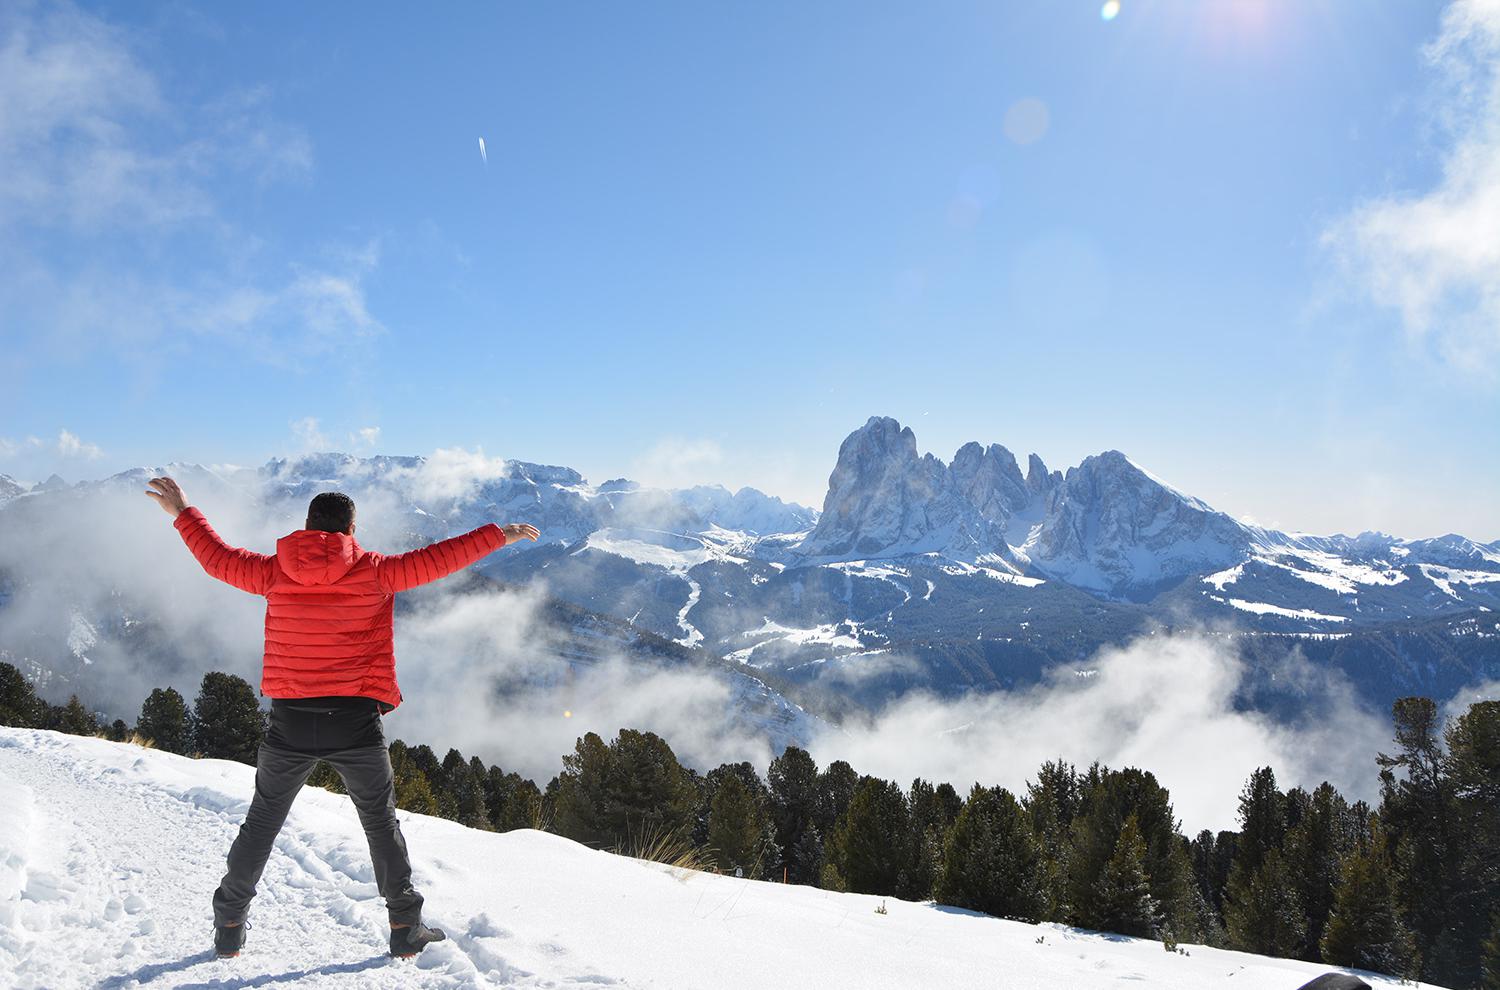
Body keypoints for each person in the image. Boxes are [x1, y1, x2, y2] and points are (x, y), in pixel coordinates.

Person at [145, 476, 539, 960]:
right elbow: (439, 559)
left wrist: (184, 512)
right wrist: (499, 535)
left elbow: (217, 558)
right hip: (355, 722)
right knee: (381, 825)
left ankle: (229, 922)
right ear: (352, 528)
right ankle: (404, 926)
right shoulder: (376, 572)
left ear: (307, 527)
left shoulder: (273, 572)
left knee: (262, 822)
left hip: (289, 721)